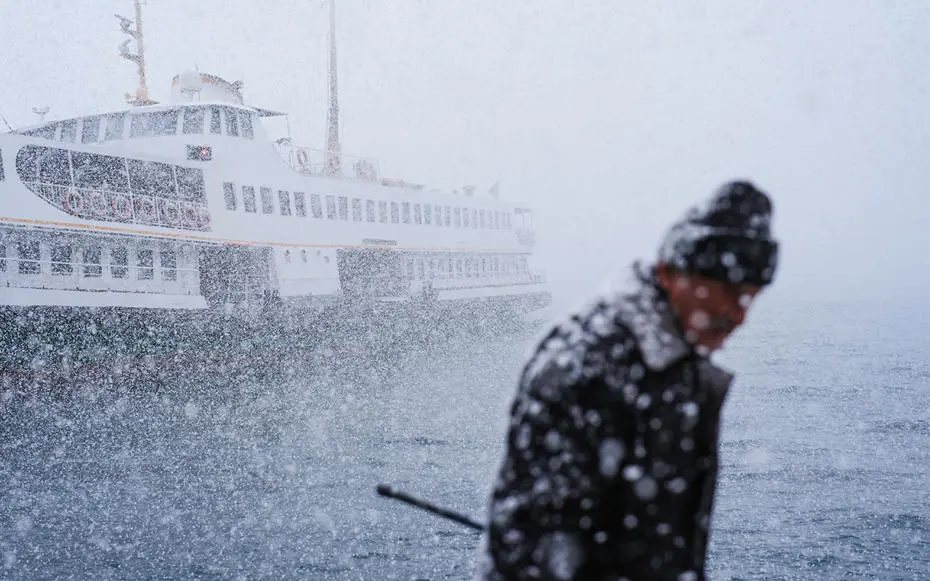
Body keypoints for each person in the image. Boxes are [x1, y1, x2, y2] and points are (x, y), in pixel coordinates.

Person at [476, 180, 779, 581]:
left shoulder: (673, 355)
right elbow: (531, 551)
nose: (738, 315)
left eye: (750, 296)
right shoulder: (586, 367)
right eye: (724, 292)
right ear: (669, 273)